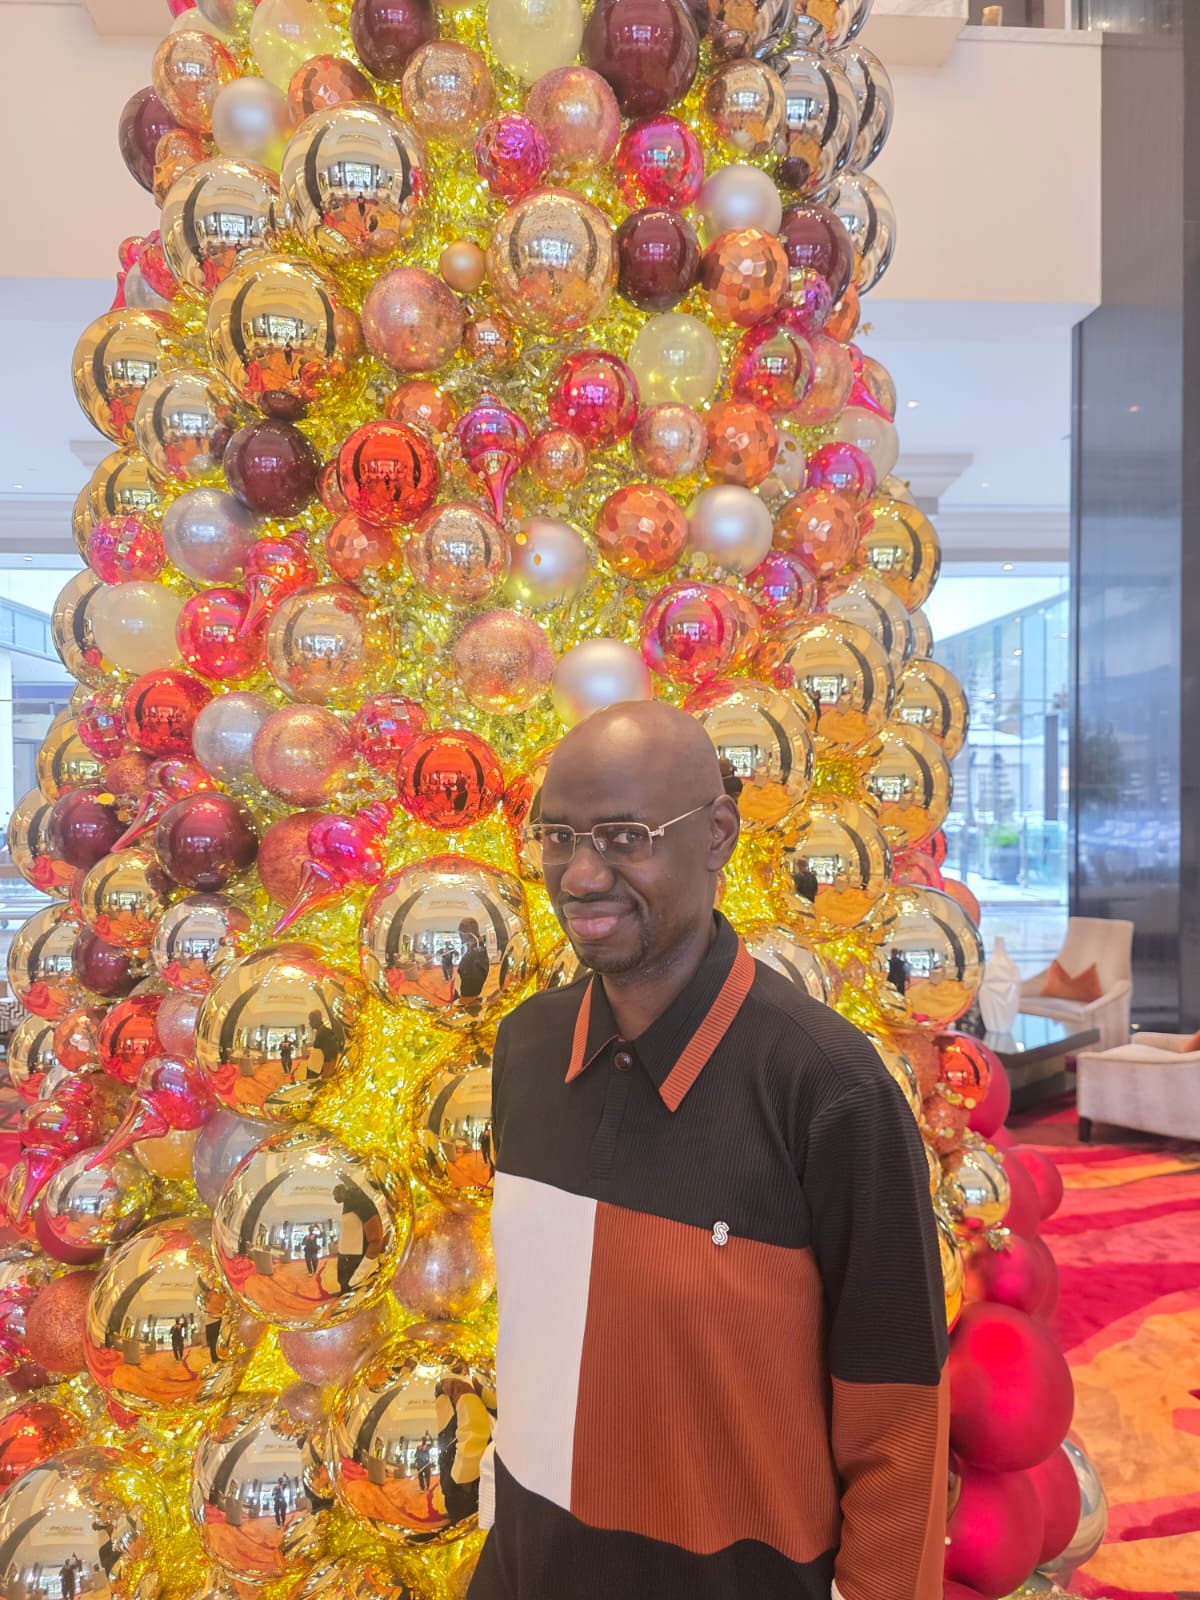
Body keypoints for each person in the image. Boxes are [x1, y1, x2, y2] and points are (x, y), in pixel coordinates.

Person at [468, 702, 947, 1600]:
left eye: (625, 837)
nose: (581, 875)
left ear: (718, 834)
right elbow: (534, 1333)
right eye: (558, 837)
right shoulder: (526, 1048)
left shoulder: (828, 1087)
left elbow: (900, 1416)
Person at [455, 919, 490, 1003]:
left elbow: (469, 994)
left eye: (460, 932)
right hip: (472, 992)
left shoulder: (471, 957)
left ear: (464, 934)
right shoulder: (479, 949)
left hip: (469, 998)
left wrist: (463, 1002)